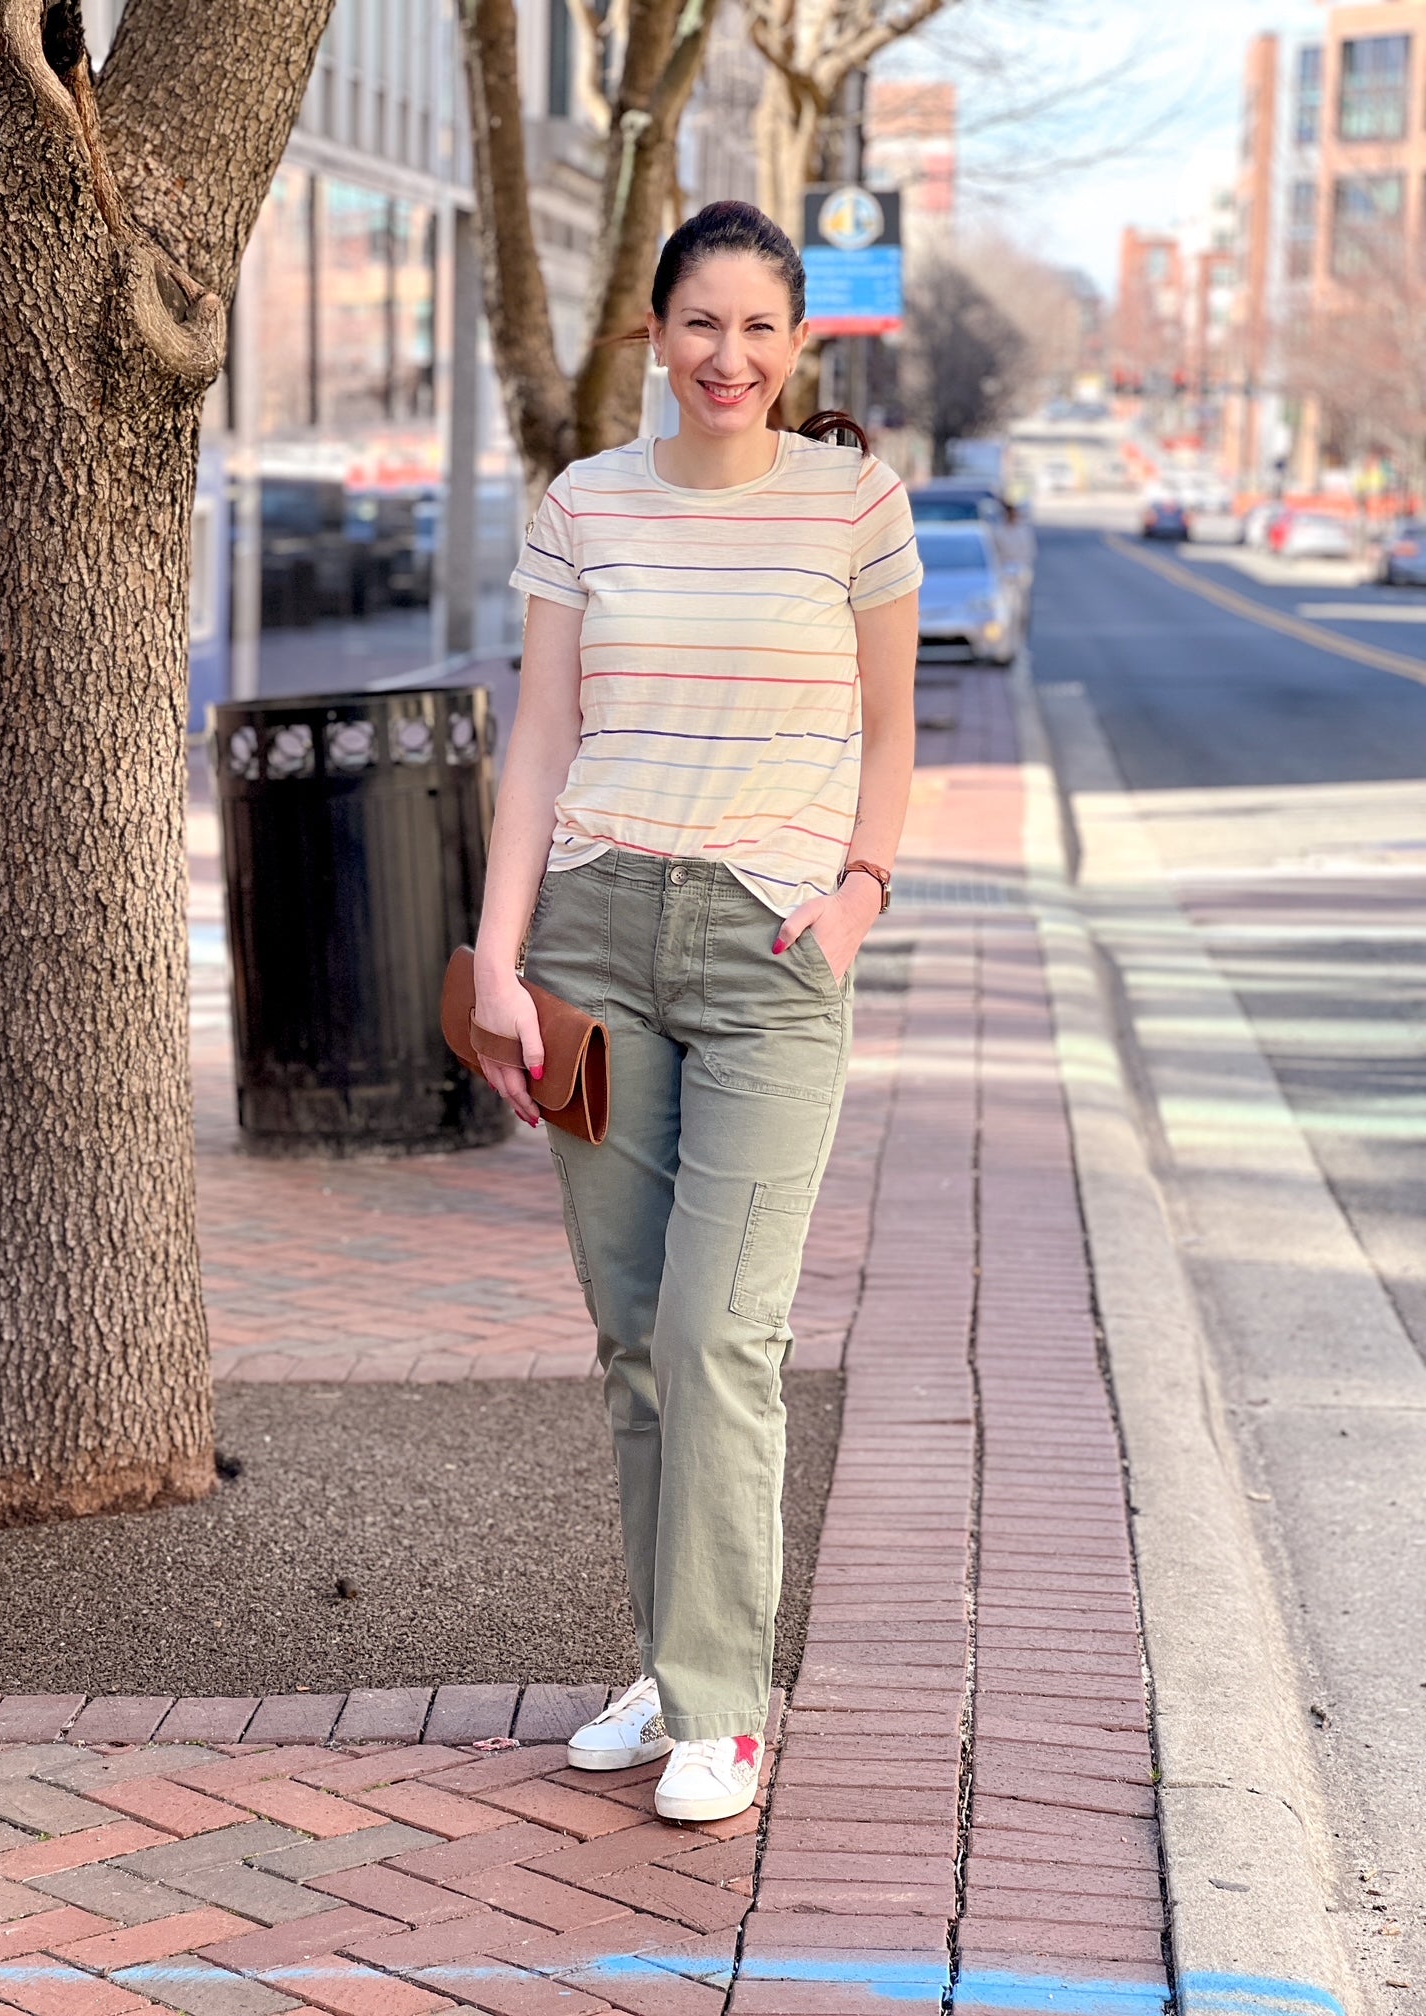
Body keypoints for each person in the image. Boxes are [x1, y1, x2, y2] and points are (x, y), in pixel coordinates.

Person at [472, 199, 921, 1823]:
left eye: (759, 328)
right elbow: (540, 739)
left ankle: (724, 1711)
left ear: (798, 343)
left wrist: (859, 894)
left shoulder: (854, 503)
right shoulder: (586, 502)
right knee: (633, 1334)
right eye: (700, 324)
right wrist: (500, 958)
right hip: (596, 943)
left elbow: (891, 725)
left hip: (769, 957)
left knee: (718, 1329)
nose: (729, 356)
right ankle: (674, 1665)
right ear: (655, 337)